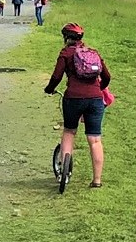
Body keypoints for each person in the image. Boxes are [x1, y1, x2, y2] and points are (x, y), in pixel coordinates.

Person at [45, 22, 111, 188]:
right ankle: (97, 180)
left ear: (66, 37)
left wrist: (49, 89)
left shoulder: (66, 53)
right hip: (95, 99)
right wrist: (97, 90)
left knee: (69, 131)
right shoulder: (93, 52)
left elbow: (56, 77)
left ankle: (64, 174)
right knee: (95, 139)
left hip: (73, 98)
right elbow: (107, 76)